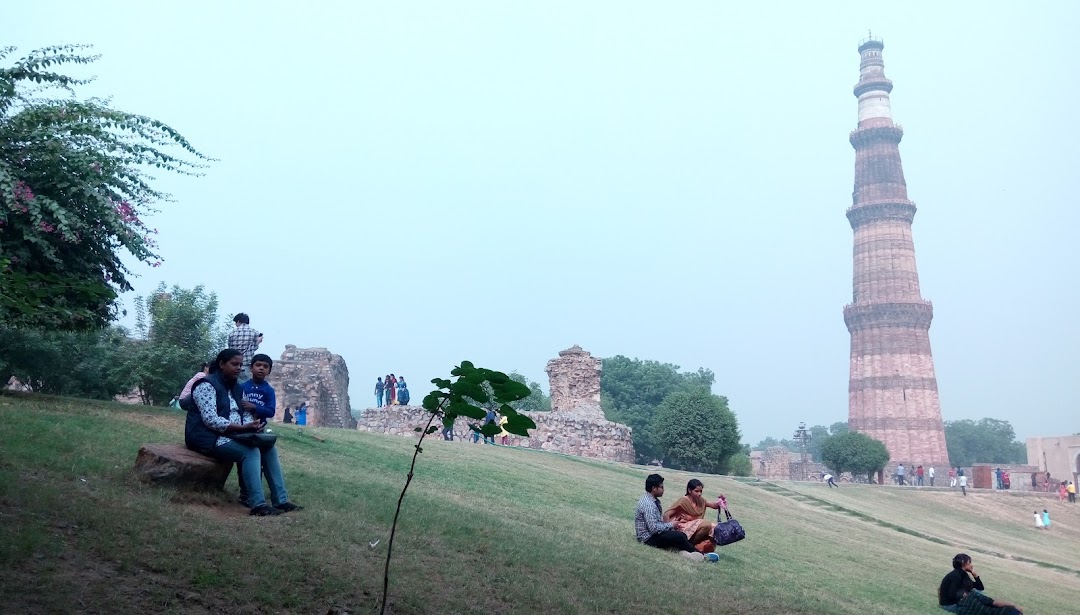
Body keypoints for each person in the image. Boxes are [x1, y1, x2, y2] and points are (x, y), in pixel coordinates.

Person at [182, 349, 301, 516]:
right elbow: (211, 420)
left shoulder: (237, 388)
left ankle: (281, 500)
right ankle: (257, 504)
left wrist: (252, 425)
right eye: (234, 364)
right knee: (250, 452)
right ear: (222, 364)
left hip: (233, 433)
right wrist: (242, 429)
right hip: (208, 436)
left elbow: (244, 413)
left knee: (268, 447)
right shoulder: (206, 385)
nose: (238, 368)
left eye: (240, 365)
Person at [634, 474, 704, 561]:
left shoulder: (653, 501)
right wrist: (671, 525)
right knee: (680, 537)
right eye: (661, 487)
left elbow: (657, 523)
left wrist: (671, 526)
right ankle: (699, 555)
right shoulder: (648, 504)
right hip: (648, 539)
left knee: (681, 535)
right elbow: (654, 529)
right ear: (654, 488)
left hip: (653, 535)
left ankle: (688, 552)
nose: (663, 490)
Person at [662, 479, 725, 554]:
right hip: (681, 527)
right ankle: (688, 545)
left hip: (695, 527)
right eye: (696, 491)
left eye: (701, 491)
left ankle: (694, 547)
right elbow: (666, 515)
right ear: (689, 490)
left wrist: (720, 501)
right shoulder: (683, 500)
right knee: (706, 524)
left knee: (714, 527)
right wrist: (669, 528)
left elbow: (714, 506)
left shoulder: (701, 500)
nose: (699, 494)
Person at [227, 313, 262, 383]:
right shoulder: (254, 333)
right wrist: (258, 341)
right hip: (246, 364)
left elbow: (230, 349)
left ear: (238, 321)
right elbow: (254, 348)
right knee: (245, 387)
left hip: (233, 364)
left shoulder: (232, 333)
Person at [955, 588, 1024, 614]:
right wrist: (1013, 605)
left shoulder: (960, 610)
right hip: (1006, 612)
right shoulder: (973, 596)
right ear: (965, 594)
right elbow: (995, 603)